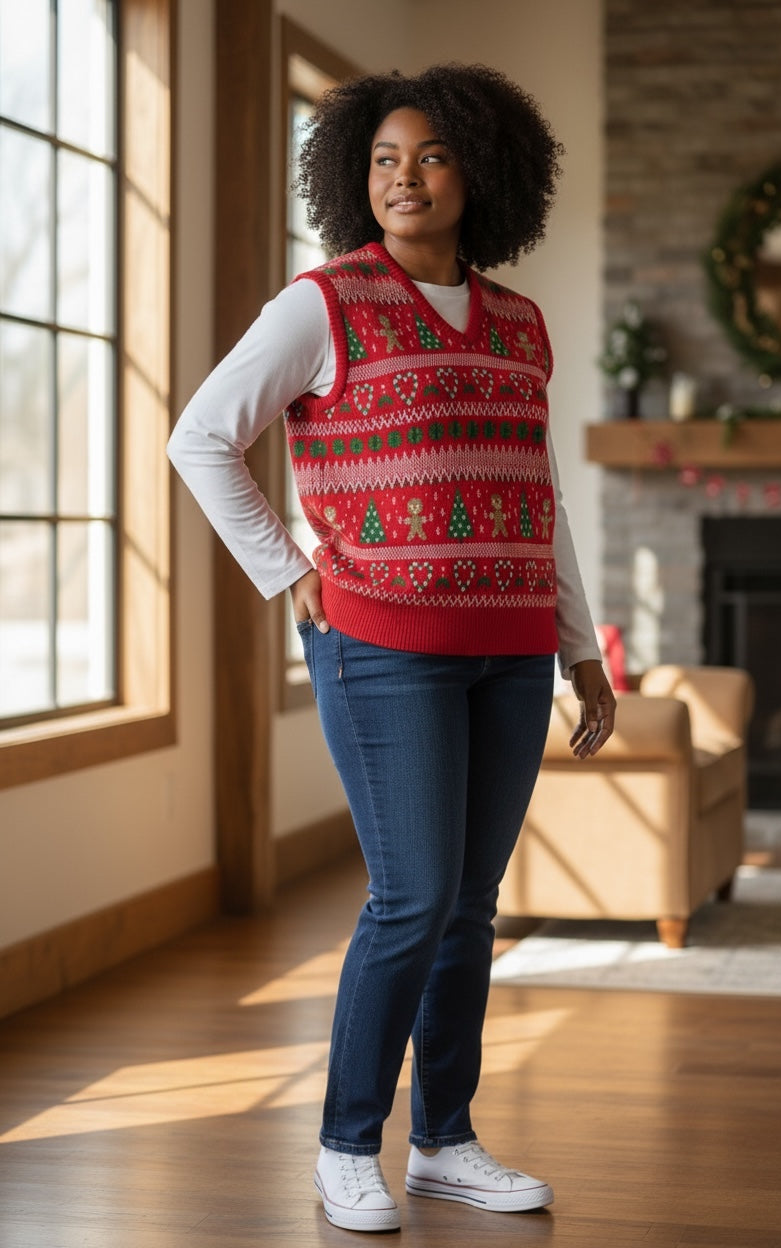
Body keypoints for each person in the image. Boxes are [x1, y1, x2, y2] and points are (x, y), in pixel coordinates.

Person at [168, 62, 616, 1234]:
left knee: (471, 903)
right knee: (412, 899)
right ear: (353, 177)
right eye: (382, 159)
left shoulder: (519, 322)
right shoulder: (321, 303)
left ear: (481, 170)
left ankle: (447, 1141)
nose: (403, 178)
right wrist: (290, 571)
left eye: (428, 156)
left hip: (512, 650)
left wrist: (581, 652)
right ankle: (343, 1144)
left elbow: (540, 495)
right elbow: (201, 437)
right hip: (384, 648)